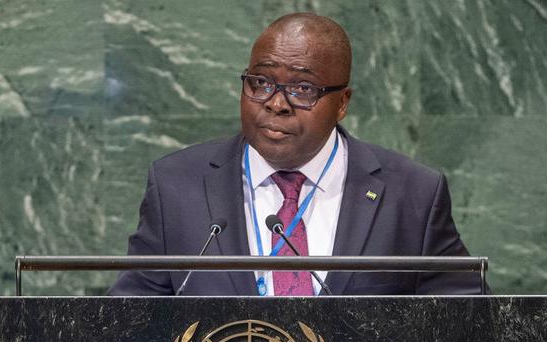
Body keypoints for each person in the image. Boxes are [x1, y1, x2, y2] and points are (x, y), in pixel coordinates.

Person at [109, 13, 484, 296]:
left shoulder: (413, 194)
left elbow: (468, 326)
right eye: (261, 82)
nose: (276, 103)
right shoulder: (176, 187)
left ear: (342, 103)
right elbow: (129, 324)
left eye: (303, 88)